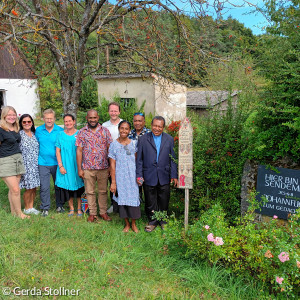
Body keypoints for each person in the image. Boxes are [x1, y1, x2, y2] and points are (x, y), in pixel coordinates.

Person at [136, 116, 178, 232]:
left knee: (164, 199)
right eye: (155, 125)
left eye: (160, 126)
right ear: (151, 125)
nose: (157, 128)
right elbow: (139, 159)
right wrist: (139, 175)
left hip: (164, 174)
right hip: (148, 174)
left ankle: (163, 220)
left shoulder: (169, 139)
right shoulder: (143, 139)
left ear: (163, 127)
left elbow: (172, 158)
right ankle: (153, 221)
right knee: (150, 199)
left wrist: (174, 175)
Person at [76, 109, 113, 223]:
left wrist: (111, 167)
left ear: (98, 118)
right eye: (90, 118)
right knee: (89, 191)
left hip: (103, 167)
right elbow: (79, 150)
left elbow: (109, 150)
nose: (92, 120)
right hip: (88, 168)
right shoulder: (82, 132)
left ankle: (103, 212)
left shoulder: (105, 131)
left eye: (94, 118)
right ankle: (92, 213)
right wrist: (80, 169)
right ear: (87, 118)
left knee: (103, 191)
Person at [109, 120, 140, 233]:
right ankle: (127, 224)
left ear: (129, 130)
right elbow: (112, 165)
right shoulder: (113, 145)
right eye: (122, 128)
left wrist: (138, 177)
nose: (124, 130)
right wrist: (113, 182)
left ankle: (133, 224)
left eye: (126, 129)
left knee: (133, 199)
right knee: (122, 200)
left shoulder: (134, 144)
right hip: (120, 178)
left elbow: (137, 161)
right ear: (119, 129)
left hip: (132, 177)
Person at [0, 106, 28, 219]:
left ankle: (13, 213)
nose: (12, 117)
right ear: (4, 116)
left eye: (13, 115)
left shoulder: (15, 128)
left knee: (13, 189)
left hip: (18, 159)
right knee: (16, 189)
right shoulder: (1, 129)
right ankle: (20, 213)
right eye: (9, 115)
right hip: (6, 161)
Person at [35, 109, 64, 217]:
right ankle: (45, 207)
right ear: (43, 119)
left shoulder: (60, 130)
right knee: (44, 186)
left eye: (51, 118)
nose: (49, 120)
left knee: (59, 185)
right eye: (47, 118)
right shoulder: (38, 130)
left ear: (54, 118)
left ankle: (59, 205)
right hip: (43, 163)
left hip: (57, 163)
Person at [55, 114, 85, 217]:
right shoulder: (60, 135)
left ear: (74, 121)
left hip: (77, 164)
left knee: (79, 186)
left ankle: (79, 208)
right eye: (66, 121)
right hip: (66, 164)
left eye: (69, 121)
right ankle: (71, 208)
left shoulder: (79, 133)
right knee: (68, 186)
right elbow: (58, 151)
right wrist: (61, 166)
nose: (68, 123)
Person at [102, 102, 122, 214]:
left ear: (119, 112)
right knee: (112, 182)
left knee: (122, 182)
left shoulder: (123, 123)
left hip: (122, 159)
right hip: (110, 159)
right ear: (109, 112)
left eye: (115, 111)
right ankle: (113, 205)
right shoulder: (104, 126)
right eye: (111, 111)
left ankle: (122, 203)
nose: (113, 113)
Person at [19, 114, 40, 215]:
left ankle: (31, 207)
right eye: (24, 122)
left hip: (35, 165)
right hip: (26, 165)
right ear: (21, 123)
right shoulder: (19, 135)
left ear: (32, 122)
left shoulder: (34, 133)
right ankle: (27, 208)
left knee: (34, 186)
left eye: (29, 121)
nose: (27, 123)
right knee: (28, 188)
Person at [129, 112, 151, 204]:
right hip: (132, 163)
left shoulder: (149, 134)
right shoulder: (129, 133)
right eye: (135, 121)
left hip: (146, 164)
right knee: (134, 184)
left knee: (146, 184)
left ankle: (147, 204)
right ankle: (136, 201)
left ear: (144, 122)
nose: (137, 123)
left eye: (139, 121)